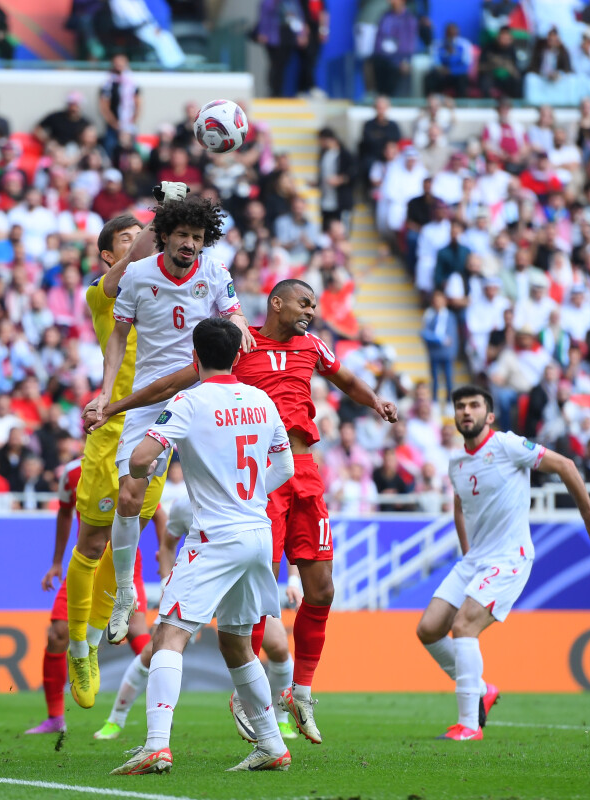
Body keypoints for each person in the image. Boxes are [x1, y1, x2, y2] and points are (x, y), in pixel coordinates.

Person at [90, 279, 398, 744]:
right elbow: (176, 381)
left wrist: (376, 402)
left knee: (323, 588)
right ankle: (246, 697)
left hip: (305, 472)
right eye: (304, 303)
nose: (311, 311)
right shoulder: (240, 346)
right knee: (254, 597)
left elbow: (346, 380)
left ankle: (301, 691)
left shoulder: (313, 346)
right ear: (276, 303)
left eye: (314, 304)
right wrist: (116, 406)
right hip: (262, 480)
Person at [109, 317, 296, 775]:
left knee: (168, 636)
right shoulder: (261, 399)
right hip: (257, 536)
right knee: (236, 644)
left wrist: (142, 470)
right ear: (238, 356)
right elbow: (285, 467)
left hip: (215, 537)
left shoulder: (188, 401)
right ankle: (272, 745)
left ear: (194, 357)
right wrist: (246, 494)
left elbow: (138, 459)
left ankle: (156, 746)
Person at [90, 191, 253, 651]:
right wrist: (106, 394)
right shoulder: (138, 276)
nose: (190, 244)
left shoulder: (215, 272)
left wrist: (239, 322)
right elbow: (118, 340)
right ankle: (126, 593)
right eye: (182, 234)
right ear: (164, 236)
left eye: (197, 237)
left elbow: (235, 312)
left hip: (204, 396)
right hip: (149, 401)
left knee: (224, 495)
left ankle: (225, 592)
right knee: (129, 492)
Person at [415, 385, 590, 741]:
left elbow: (565, 465)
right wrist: (466, 550)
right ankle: (482, 690)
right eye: (460, 406)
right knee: (428, 629)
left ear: (489, 416)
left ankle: (468, 726)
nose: (466, 412)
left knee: (463, 627)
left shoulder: (507, 445)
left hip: (510, 557)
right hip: (475, 559)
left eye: (474, 405)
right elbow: (460, 504)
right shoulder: (456, 463)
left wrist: (588, 515)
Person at [59, 208, 179, 710]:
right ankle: (80, 646)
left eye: (147, 236)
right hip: (111, 427)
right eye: (130, 240)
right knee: (91, 538)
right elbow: (123, 269)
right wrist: (158, 220)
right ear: (109, 254)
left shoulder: (167, 288)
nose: (144, 244)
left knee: (128, 530)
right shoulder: (100, 294)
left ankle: (111, 606)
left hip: (156, 431)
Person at [27, 457, 157, 735]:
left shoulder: (137, 461)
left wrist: (165, 562)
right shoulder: (73, 472)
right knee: (56, 635)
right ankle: (55, 718)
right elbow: (63, 513)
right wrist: (55, 562)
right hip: (86, 562)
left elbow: (158, 514)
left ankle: (158, 711)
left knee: (138, 635)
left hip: (122, 562)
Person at [255, 0, 307, 97]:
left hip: (287, 35)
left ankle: (278, 91)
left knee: (283, 65)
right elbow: (264, 15)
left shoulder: (293, 2)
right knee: (275, 65)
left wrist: (301, 34)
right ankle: (273, 91)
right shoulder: (269, 2)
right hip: (272, 37)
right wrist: (263, 32)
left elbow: (298, 16)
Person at [370, 0, 418, 97]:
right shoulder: (385, 17)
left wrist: (405, 60)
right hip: (382, 59)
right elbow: (379, 39)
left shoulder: (409, 19)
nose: (390, 1)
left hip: (398, 61)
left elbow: (409, 43)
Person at [99, 53, 142, 155]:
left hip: (128, 123)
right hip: (113, 125)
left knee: (131, 150)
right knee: (110, 148)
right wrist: (113, 122)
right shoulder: (108, 83)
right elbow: (103, 105)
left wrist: (133, 120)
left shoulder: (132, 82)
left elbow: (138, 102)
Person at [422, 289, 459, 405]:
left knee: (449, 378)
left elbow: (454, 335)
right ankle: (435, 401)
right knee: (435, 378)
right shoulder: (429, 315)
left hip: (447, 353)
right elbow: (424, 333)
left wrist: (453, 351)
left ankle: (448, 400)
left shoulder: (450, 316)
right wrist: (438, 339)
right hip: (434, 352)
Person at [427, 23, 474, 97]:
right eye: (449, 34)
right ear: (445, 33)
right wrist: (441, 68)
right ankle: (433, 103)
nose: (451, 37)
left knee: (462, 79)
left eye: (453, 34)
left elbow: (467, 65)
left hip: (457, 74)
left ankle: (461, 105)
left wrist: (452, 70)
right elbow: (434, 62)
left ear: (457, 34)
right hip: (442, 73)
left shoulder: (464, 45)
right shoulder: (438, 45)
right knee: (431, 77)